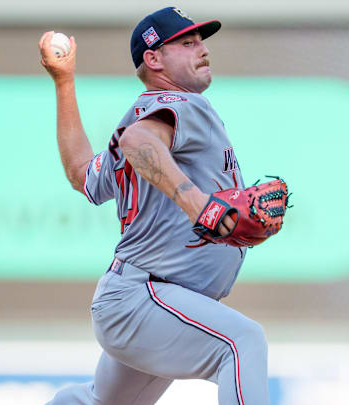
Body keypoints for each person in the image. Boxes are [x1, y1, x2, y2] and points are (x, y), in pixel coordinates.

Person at [38, 7, 269, 405]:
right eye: (187, 42)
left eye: (201, 41)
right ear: (154, 58)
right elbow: (137, 143)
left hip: (144, 300)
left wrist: (64, 82)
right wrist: (199, 205)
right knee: (241, 343)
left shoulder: (144, 113)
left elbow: (81, 174)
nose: (202, 50)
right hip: (145, 296)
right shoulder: (181, 104)